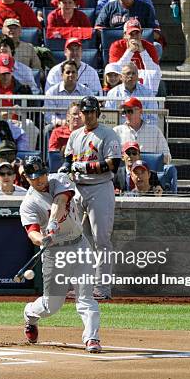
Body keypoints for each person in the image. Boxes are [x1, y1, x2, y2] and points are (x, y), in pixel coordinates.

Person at [19, 155, 102, 352]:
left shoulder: (59, 179)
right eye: (34, 177)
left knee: (85, 296)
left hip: (78, 244)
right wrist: (42, 239)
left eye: (41, 174)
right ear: (26, 178)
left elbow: (61, 200)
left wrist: (53, 222)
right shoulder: (29, 203)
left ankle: (91, 338)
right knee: (51, 306)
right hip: (54, 253)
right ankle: (30, 314)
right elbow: (32, 233)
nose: (39, 179)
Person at [59, 96, 121, 301]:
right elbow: (68, 159)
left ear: (98, 113)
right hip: (79, 189)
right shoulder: (75, 134)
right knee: (77, 240)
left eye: (91, 111)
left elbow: (114, 164)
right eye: (85, 112)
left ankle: (102, 288)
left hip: (100, 188)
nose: (88, 115)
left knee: (101, 240)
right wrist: (65, 169)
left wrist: (84, 167)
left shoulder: (107, 133)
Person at [113, 97, 170, 163]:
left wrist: (145, 159)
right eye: (124, 112)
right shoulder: (116, 131)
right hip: (124, 171)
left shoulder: (154, 131)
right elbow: (112, 158)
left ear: (140, 111)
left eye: (129, 111)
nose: (127, 115)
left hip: (148, 170)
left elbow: (167, 157)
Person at [44, 60, 95, 126]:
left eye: (73, 72)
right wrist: (61, 122)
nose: (71, 75)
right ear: (62, 75)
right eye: (68, 72)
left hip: (81, 126)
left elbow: (91, 112)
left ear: (77, 74)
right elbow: (49, 116)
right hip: (59, 126)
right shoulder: (52, 92)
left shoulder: (86, 91)